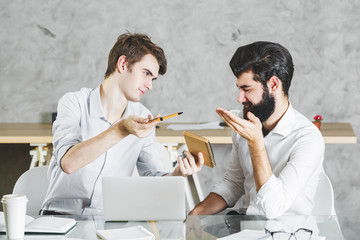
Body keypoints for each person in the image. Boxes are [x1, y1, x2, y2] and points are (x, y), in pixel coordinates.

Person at [41, 33, 204, 215]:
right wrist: (121, 129)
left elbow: (154, 178)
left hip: (109, 221)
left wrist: (178, 173)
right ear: (123, 64)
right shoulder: (73, 103)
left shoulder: (143, 116)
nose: (150, 85)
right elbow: (68, 163)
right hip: (60, 218)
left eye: (153, 78)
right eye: (146, 74)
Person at [189, 41, 324, 219]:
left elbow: (272, 209)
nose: (240, 98)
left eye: (247, 89)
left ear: (274, 85)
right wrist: (194, 215)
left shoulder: (307, 138)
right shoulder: (245, 122)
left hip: (288, 232)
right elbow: (234, 184)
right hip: (246, 227)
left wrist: (256, 143)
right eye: (239, 89)